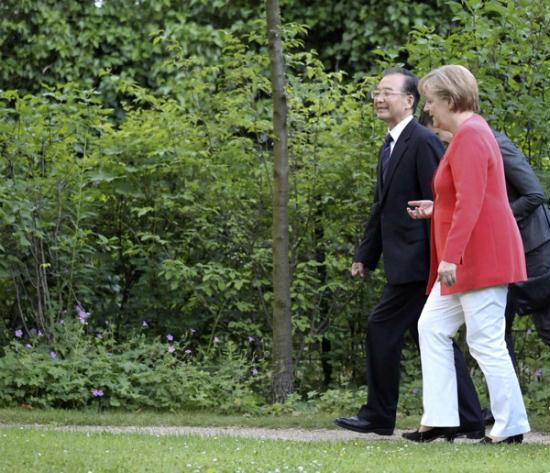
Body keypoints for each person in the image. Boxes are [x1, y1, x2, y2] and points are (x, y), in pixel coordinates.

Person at [334, 67, 484, 438]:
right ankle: (468, 418)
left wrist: (442, 255)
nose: (379, 98)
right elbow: (381, 206)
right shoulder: (390, 144)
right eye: (376, 92)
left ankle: (379, 415)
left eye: (388, 92)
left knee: (383, 328)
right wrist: (365, 255)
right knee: (433, 335)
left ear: (410, 101)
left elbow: (444, 200)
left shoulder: (421, 141)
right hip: (404, 261)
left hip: (422, 261)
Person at [404, 64, 530, 444]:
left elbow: (473, 202)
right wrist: (436, 208)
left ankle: (511, 427)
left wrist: (449, 256)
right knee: (431, 327)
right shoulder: (468, 135)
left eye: (430, 101)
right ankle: (441, 419)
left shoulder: (472, 135)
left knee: (486, 342)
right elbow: (465, 197)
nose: (428, 109)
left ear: (450, 99)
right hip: (466, 260)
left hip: (478, 259)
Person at [420, 112, 550, 424]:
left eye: (438, 135)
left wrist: (496, 222)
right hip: (490, 252)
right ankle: (502, 415)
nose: (439, 140)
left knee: (547, 329)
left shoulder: (494, 143)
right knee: (494, 335)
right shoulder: (461, 147)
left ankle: (509, 419)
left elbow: (534, 195)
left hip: (534, 251)